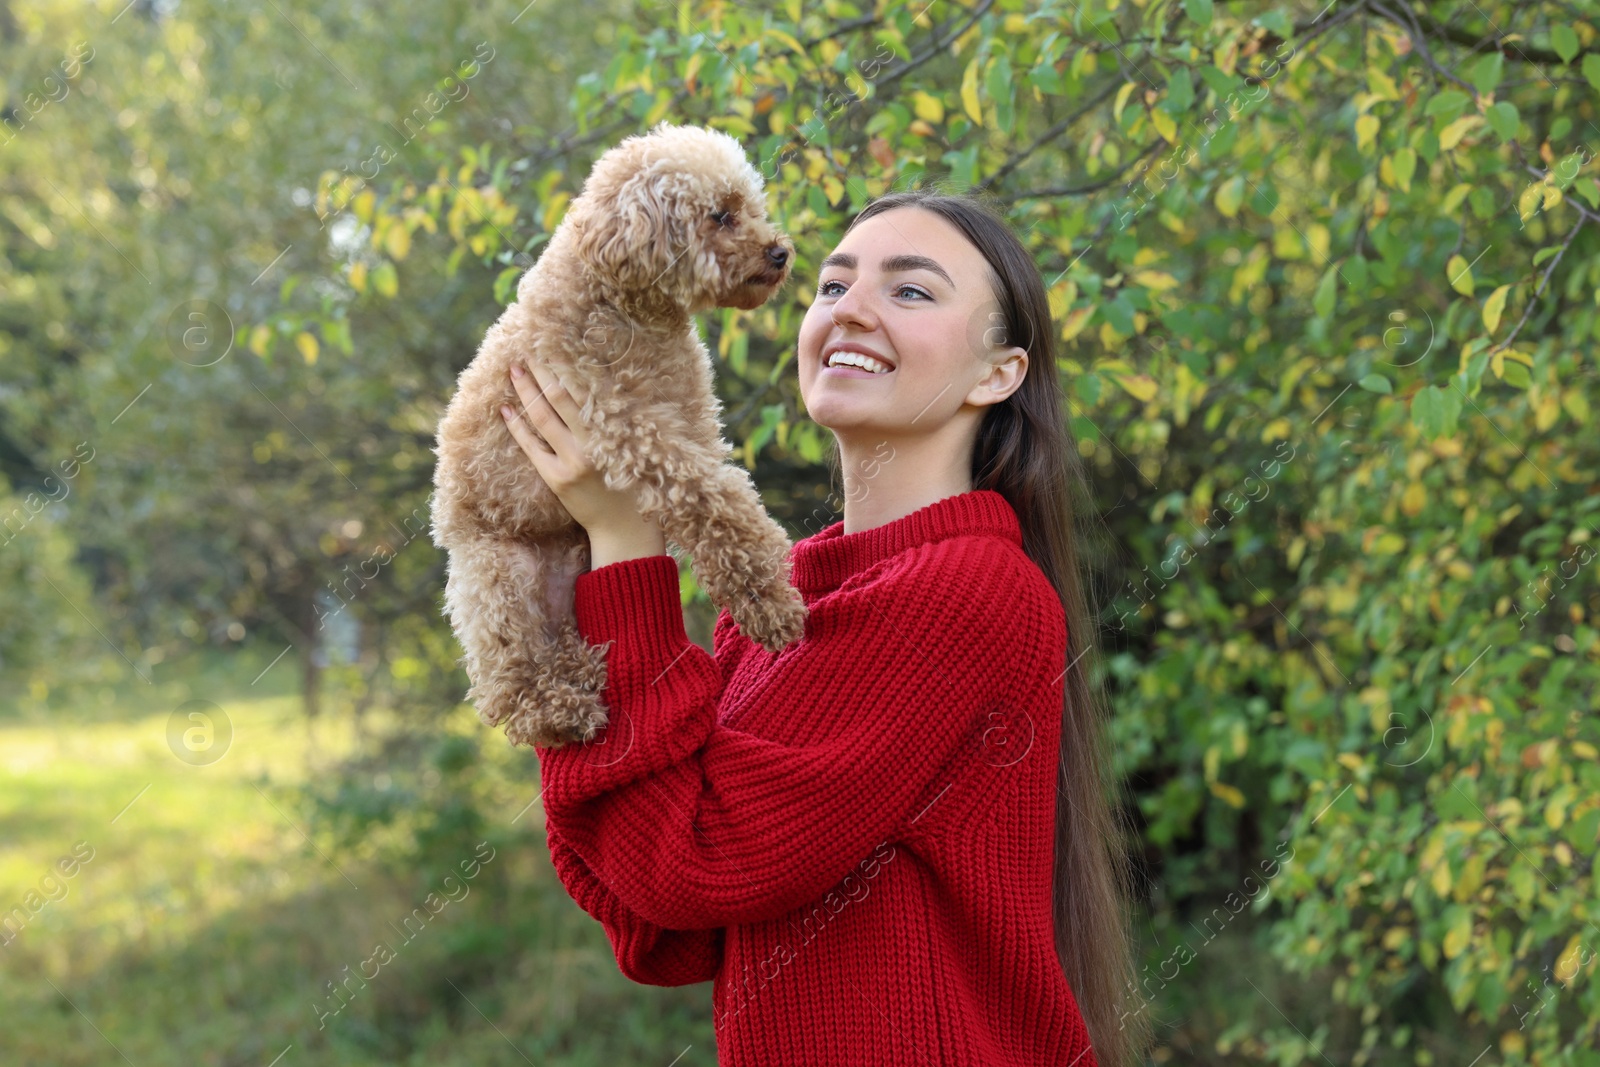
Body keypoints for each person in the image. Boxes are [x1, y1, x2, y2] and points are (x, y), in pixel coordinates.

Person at [500, 189, 1151, 1067]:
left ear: (1000, 373)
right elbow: (662, 924)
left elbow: (691, 860)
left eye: (911, 291)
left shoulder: (967, 589)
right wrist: (561, 578)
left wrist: (625, 543)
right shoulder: (782, 603)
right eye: (832, 286)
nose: (852, 310)